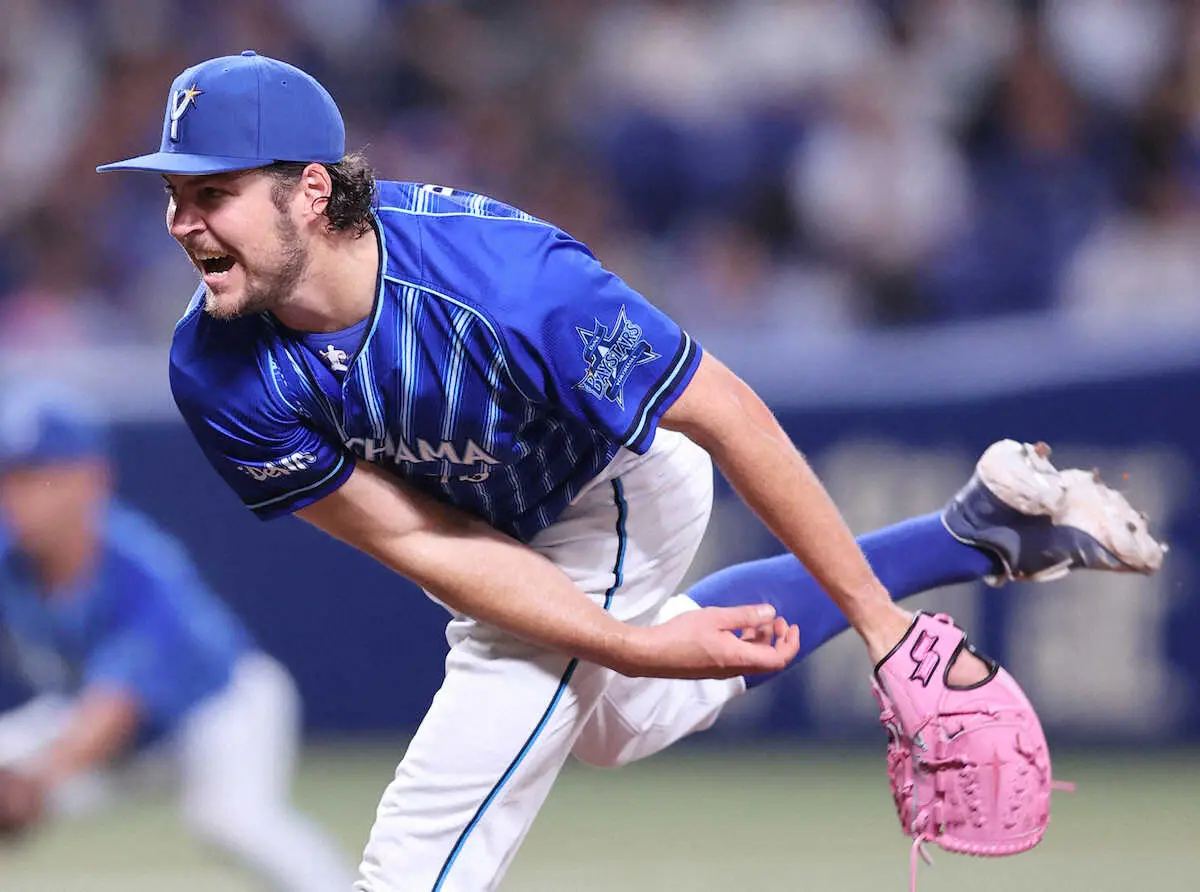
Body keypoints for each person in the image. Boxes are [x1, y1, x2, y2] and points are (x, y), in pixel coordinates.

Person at [97, 52, 1165, 891]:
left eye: (213, 192)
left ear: (310, 190)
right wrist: (634, 647)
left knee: (432, 828)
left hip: (608, 490)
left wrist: (881, 634)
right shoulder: (212, 367)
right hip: (482, 526)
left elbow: (732, 416)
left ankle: (924, 567)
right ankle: (974, 530)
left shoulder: (512, 284)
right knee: (615, 721)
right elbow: (420, 539)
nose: (183, 223)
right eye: (173, 194)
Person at [0, 383, 355, 891]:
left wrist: (38, 782)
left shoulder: (141, 571)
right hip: (106, 724)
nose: (19, 497)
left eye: (39, 476)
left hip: (220, 710)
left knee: (233, 821)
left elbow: (114, 709)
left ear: (91, 478)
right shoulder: (9, 558)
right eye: (10, 478)